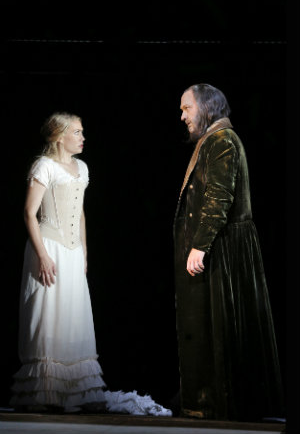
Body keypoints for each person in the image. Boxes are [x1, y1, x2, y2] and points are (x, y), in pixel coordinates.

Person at [10, 112, 172, 416]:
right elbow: (30, 213)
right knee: (48, 315)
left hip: (71, 252)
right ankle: (44, 393)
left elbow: (80, 212)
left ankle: (75, 391)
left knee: (73, 316)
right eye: (77, 132)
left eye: (82, 132)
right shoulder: (43, 166)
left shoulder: (82, 168)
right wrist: (43, 254)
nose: (83, 137)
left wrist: (84, 251)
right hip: (49, 247)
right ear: (59, 136)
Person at [173, 84, 284, 421]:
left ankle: (219, 402)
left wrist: (199, 245)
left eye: (186, 108)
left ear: (206, 108)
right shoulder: (216, 140)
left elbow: (218, 198)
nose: (182, 116)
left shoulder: (222, 141)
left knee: (221, 326)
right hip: (221, 245)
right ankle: (210, 402)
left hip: (224, 248)